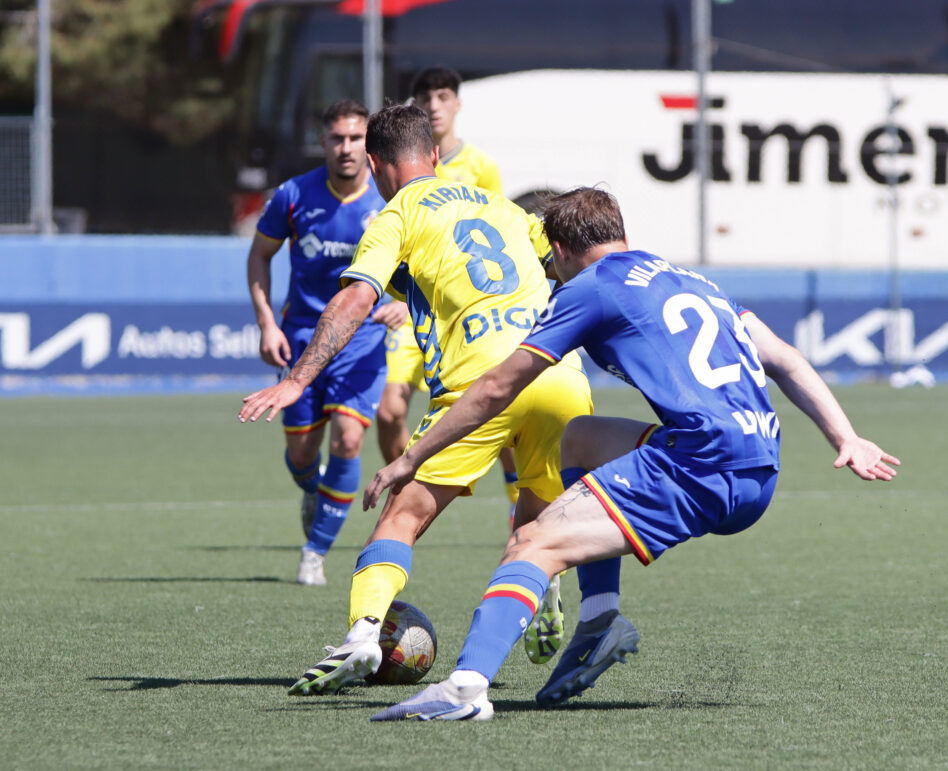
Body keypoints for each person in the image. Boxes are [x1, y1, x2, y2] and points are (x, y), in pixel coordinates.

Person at [363, 187, 902, 721]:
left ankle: (464, 689)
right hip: (758, 463)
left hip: (700, 462)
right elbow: (784, 359)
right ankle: (599, 619)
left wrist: (412, 456)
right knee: (580, 438)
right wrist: (845, 437)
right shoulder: (691, 279)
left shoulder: (591, 287)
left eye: (550, 259)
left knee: (531, 543)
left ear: (560, 249)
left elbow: (496, 387)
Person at [238, 104, 593, 693]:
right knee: (535, 521)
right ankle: (546, 587)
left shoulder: (394, 214)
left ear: (376, 165)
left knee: (401, 518)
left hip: (481, 381)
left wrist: (297, 378)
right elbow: (565, 260)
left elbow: (355, 300)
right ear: (434, 156)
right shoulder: (500, 205)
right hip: (558, 372)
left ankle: (361, 638)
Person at [245, 99, 406, 586]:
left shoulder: (390, 202)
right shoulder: (293, 195)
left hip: (363, 342)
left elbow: (420, 266)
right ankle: (312, 491)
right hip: (300, 342)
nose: (346, 148)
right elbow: (259, 258)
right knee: (300, 454)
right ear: (323, 142)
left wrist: (404, 303)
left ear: (369, 144)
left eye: (356, 138)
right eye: (337, 138)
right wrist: (266, 324)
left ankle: (315, 550)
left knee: (350, 437)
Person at [372, 64, 521, 522]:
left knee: (506, 412)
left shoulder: (480, 167)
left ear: (457, 103)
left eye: (442, 96)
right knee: (389, 411)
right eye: (426, 98)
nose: (434, 105)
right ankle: (410, 486)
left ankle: (521, 508)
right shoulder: (399, 167)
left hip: (466, 313)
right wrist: (400, 299)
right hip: (413, 310)